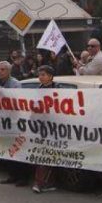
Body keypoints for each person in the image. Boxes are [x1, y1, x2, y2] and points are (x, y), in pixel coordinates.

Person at [32, 65, 58, 193]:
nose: (40, 77)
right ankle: (41, 182)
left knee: (48, 156)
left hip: (55, 128)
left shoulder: (57, 90)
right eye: (39, 75)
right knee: (42, 155)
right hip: (41, 128)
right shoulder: (39, 89)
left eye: (43, 75)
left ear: (50, 76)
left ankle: (43, 183)